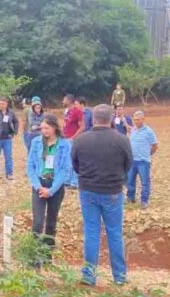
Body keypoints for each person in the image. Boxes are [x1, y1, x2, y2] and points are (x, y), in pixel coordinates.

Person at [71, 105, 133, 286]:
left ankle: (89, 276)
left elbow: (75, 165)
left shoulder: (81, 140)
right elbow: (128, 164)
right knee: (114, 233)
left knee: (91, 233)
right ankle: (119, 277)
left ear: (93, 119)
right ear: (112, 119)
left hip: (88, 190)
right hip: (112, 191)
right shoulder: (122, 140)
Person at [26, 115, 72, 263]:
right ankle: (33, 255)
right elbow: (30, 166)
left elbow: (65, 170)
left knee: (51, 223)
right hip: (39, 184)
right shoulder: (36, 142)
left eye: (47, 128)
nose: (44, 131)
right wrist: (37, 186)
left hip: (55, 187)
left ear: (55, 128)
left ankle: (47, 256)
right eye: (42, 128)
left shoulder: (65, 145)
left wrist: (51, 190)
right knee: (38, 222)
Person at [126, 111, 158, 209]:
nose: (136, 121)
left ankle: (144, 200)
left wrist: (148, 154)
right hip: (132, 160)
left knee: (145, 181)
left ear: (143, 119)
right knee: (130, 180)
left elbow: (154, 145)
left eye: (138, 120)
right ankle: (130, 198)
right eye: (134, 120)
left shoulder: (149, 131)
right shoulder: (133, 130)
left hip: (143, 161)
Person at [63, 94, 85, 188]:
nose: (62, 101)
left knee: (73, 160)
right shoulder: (68, 111)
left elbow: (82, 126)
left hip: (72, 139)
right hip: (66, 138)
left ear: (69, 100)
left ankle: (74, 182)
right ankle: (67, 180)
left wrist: (73, 137)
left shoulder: (77, 111)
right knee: (67, 160)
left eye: (64, 99)